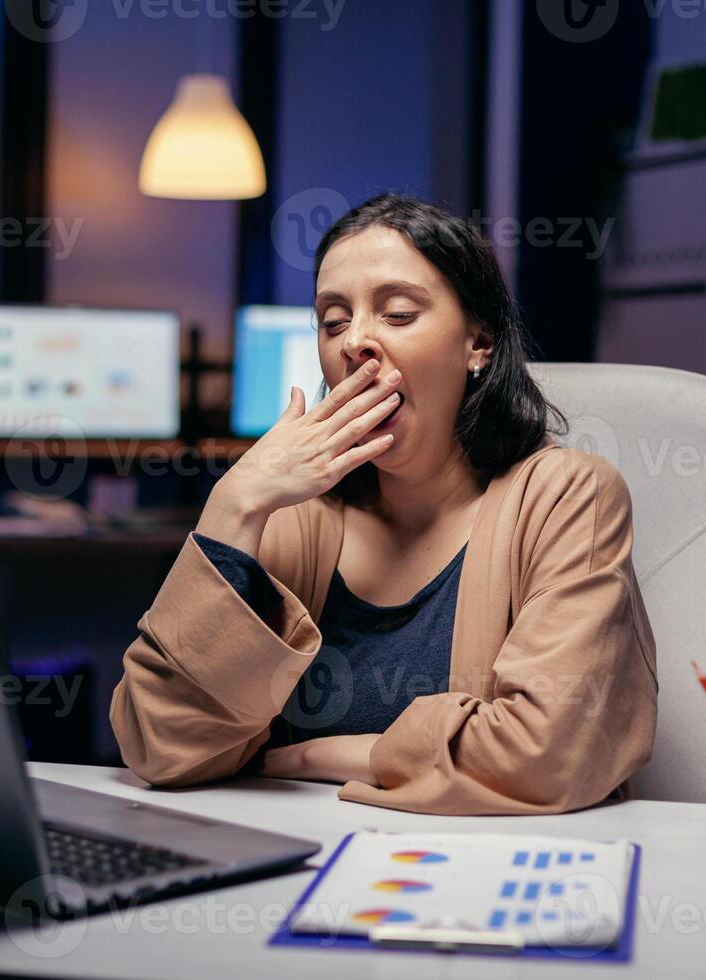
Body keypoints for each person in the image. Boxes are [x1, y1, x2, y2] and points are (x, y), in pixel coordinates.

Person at [110, 194, 657, 815]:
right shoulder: (294, 517)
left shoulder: (567, 497)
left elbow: (548, 753)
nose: (356, 343)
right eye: (334, 321)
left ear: (478, 342)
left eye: (397, 314)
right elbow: (159, 746)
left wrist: (334, 756)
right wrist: (234, 504)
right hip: (289, 870)